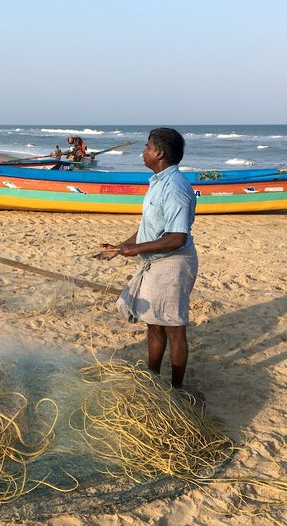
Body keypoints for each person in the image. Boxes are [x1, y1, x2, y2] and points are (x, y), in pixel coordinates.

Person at [98, 128, 198, 389]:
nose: (143, 152)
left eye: (146, 147)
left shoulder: (175, 187)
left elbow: (177, 237)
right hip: (156, 260)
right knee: (154, 323)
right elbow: (149, 226)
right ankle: (152, 378)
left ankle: (176, 389)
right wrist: (121, 246)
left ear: (159, 153)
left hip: (173, 263)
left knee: (174, 328)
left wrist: (137, 249)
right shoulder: (157, 182)